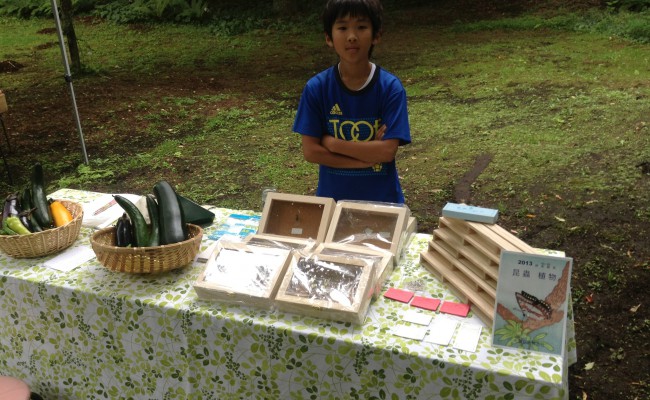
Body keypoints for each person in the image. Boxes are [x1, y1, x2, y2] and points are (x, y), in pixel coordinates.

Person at [293, 0, 411, 204]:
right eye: (342, 27)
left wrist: (332, 143)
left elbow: (386, 151)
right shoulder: (317, 88)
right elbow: (311, 151)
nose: (352, 36)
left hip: (383, 204)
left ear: (376, 35)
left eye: (362, 27)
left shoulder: (390, 88)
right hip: (332, 204)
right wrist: (364, 160)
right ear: (329, 38)